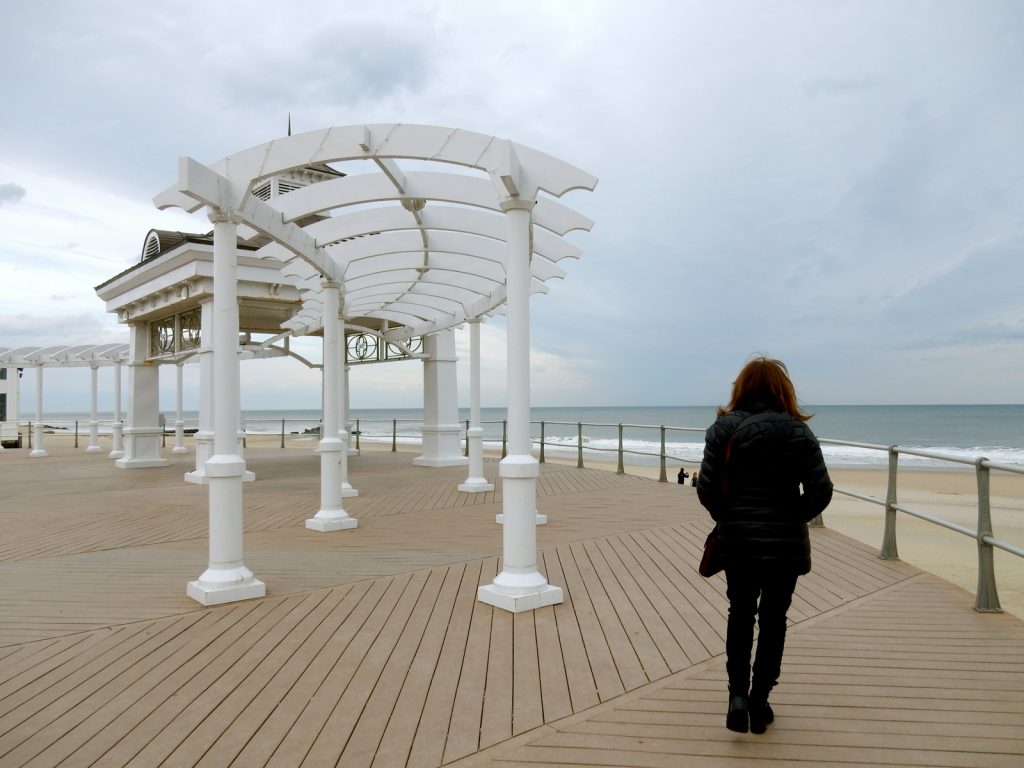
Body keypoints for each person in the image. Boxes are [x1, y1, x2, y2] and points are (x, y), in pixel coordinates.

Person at [696, 357, 832, 734]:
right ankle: (760, 700)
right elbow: (821, 491)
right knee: (775, 621)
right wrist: (792, 519)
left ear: (740, 389)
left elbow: (706, 489)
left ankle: (737, 697)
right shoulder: (798, 433)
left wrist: (730, 519)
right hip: (785, 545)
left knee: (740, 615)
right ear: (782, 389)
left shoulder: (721, 430)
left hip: (737, 540)